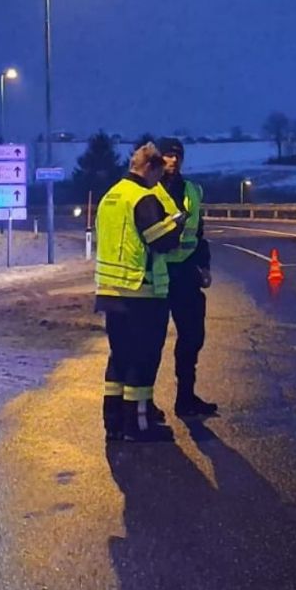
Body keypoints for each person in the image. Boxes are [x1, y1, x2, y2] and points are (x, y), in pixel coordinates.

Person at [94, 142, 185, 442]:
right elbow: (160, 241)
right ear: (149, 168)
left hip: (110, 291)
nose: (159, 181)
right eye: (158, 174)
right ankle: (137, 426)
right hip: (140, 291)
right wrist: (175, 225)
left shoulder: (111, 195)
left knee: (119, 358)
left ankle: (114, 423)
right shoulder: (142, 198)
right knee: (141, 360)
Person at [155, 137, 218, 417]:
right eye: (168, 155)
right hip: (157, 275)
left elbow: (198, 233)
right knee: (151, 342)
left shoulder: (192, 190)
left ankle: (186, 397)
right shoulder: (149, 189)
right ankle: (143, 403)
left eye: (177, 155)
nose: (173, 160)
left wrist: (204, 266)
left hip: (186, 275)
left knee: (192, 337)